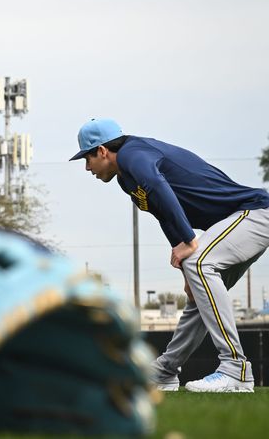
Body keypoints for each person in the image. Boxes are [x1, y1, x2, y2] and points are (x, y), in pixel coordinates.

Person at [70, 118, 269, 393]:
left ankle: (236, 369)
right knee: (199, 295)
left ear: (103, 151)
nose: (86, 166)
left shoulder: (132, 154)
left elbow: (159, 186)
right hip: (234, 224)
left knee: (200, 263)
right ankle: (164, 372)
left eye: (87, 157)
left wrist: (189, 241)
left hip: (253, 213)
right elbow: (163, 212)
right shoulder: (126, 179)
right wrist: (186, 261)